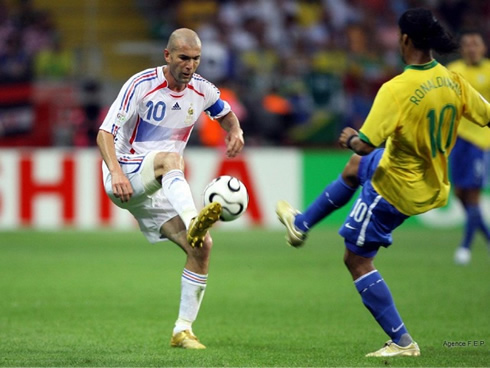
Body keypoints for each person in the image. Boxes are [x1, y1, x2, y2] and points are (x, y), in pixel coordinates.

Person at [276, 8, 490, 357]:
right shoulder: (454, 80)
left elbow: (366, 140)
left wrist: (348, 137)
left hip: (393, 188)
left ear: (404, 39)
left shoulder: (398, 89)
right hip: (431, 181)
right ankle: (300, 225)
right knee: (354, 166)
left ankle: (402, 342)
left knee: (356, 259)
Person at [96, 28, 244, 349]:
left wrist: (235, 131)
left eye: (195, 59)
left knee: (202, 246)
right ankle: (193, 220)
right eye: (183, 58)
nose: (190, 65)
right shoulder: (141, 85)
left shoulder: (203, 90)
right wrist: (116, 172)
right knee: (171, 160)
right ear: (167, 56)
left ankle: (183, 330)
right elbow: (104, 133)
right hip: (125, 175)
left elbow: (226, 114)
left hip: (159, 187)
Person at [447, 30, 490, 265]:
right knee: (460, 193)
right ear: (461, 49)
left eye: (476, 44)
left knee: (472, 195)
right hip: (458, 140)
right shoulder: (453, 71)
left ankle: (465, 247)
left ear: (483, 48)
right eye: (467, 44)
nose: (471, 48)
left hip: (481, 141)